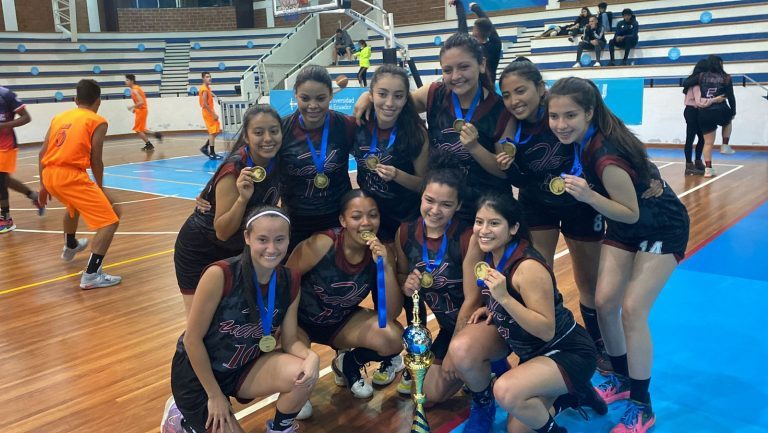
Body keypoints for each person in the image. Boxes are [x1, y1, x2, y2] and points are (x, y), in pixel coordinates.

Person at [548, 77, 690, 433]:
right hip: (626, 227)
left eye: (570, 115)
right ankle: (622, 377)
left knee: (633, 310)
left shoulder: (604, 153)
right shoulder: (587, 138)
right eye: (554, 116)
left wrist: (589, 196)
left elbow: (631, 212)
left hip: (660, 227)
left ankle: (642, 405)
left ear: (589, 113)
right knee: (604, 302)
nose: (561, 124)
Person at [451, 193, 605, 433]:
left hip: (567, 351)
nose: (483, 230)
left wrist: (504, 298)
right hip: (533, 354)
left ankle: (571, 395)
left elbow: (546, 330)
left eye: (494, 223)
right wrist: (494, 306)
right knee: (462, 349)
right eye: (479, 222)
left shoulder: (528, 267)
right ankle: (570, 395)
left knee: (513, 413)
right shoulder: (491, 253)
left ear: (513, 228)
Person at [494, 61, 612, 371]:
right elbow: (516, 174)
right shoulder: (510, 123)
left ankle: (598, 344)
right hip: (537, 204)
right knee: (538, 276)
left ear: (540, 87)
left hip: (580, 204)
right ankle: (548, 341)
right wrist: (508, 162)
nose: (514, 100)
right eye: (507, 94)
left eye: (521, 91)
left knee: (588, 281)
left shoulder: (562, 112)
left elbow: (609, 143)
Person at [164, 206, 319, 433]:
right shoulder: (220, 274)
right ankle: (180, 418)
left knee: (302, 373)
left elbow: (290, 340)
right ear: (247, 237)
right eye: (262, 239)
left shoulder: (290, 279)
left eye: (279, 240)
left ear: (288, 239)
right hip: (198, 376)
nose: (272, 248)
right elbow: (191, 340)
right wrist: (214, 395)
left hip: (242, 367)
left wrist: (311, 356)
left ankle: (279, 428)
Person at [356, 33, 513, 227]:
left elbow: (503, 171)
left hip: (485, 208)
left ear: (481, 64)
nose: (455, 76)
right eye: (448, 70)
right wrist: (367, 96)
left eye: (464, 67)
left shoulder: (500, 110)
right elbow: (396, 102)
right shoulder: (433, 94)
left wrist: (475, 147)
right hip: (444, 209)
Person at [286, 189, 403, 401]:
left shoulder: (381, 252)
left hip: (340, 324)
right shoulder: (322, 244)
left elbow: (391, 314)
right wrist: (282, 329)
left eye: (373, 215)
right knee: (298, 390)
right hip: (301, 323)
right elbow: (283, 283)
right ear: (343, 220)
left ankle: (348, 362)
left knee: (393, 338)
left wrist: (386, 267)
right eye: (356, 217)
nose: (366, 223)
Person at [175, 105, 283, 316]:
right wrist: (242, 199)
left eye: (274, 131)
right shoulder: (234, 170)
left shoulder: (279, 159)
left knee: (236, 320)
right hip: (201, 248)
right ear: (246, 136)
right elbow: (223, 232)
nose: (268, 138)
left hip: (238, 249)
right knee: (201, 323)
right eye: (258, 132)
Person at [393, 156, 474, 401]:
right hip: (449, 327)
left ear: (458, 205)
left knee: (465, 360)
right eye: (429, 200)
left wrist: (455, 353)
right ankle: (473, 367)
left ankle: (487, 368)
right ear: (421, 197)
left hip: (477, 325)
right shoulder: (405, 233)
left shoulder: (468, 237)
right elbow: (402, 275)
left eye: (446, 204)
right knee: (426, 396)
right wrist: (407, 285)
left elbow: (474, 300)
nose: (435, 210)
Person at [38, 79, 122, 289]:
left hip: (49, 174)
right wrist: (100, 188)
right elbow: (96, 160)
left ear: (75, 100)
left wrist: (43, 186)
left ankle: (71, 245)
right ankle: (92, 274)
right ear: (98, 101)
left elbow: (41, 153)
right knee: (110, 220)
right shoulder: (97, 121)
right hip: (70, 176)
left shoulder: (59, 117)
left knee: (73, 206)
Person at [279, 65, 357, 252]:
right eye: (305, 98)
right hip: (296, 220)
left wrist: (368, 98)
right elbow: (250, 157)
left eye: (320, 98)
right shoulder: (282, 129)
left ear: (331, 95)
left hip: (337, 217)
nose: (313, 106)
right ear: (295, 95)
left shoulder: (346, 125)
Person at [351, 64, 429, 243]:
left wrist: (397, 175)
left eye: (398, 96)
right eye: (382, 94)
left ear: (406, 99)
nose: (389, 103)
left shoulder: (416, 133)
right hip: (370, 218)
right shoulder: (358, 125)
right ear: (371, 95)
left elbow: (424, 185)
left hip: (406, 219)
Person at [0, 85, 44, 233]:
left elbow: (26, 117)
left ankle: (6, 219)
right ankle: (34, 196)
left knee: (0, 179)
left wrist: (5, 126)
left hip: (5, 145)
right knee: (5, 180)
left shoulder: (6, 95)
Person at [696, 55, 737, 177]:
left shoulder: (701, 76)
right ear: (720, 64)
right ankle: (725, 145)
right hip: (720, 109)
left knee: (708, 143)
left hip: (704, 112)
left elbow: (687, 83)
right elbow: (731, 96)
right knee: (728, 120)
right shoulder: (726, 77)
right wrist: (733, 111)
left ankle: (708, 169)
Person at [681, 59, 723, 175]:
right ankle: (689, 165)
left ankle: (698, 162)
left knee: (702, 138)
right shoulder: (696, 83)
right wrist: (715, 100)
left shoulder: (698, 81)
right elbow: (699, 102)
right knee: (690, 138)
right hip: (692, 111)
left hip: (698, 111)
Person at [453, 0, 502, 84]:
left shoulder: (470, 47)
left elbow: (462, 25)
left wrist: (458, 4)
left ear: (476, 31)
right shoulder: (496, 45)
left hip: (473, 88)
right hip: (490, 89)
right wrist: (476, 8)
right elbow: (490, 27)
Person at [124, 74, 162, 151]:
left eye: (127, 80)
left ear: (132, 81)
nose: (125, 81)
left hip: (142, 111)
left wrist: (132, 107)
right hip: (141, 110)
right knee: (142, 129)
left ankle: (149, 144)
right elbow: (139, 102)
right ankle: (156, 134)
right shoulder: (134, 89)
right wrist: (135, 109)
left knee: (138, 130)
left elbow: (141, 102)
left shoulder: (135, 90)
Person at [199, 71, 223, 160]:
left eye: (210, 76)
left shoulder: (207, 88)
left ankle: (205, 147)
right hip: (208, 112)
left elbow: (210, 92)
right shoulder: (204, 89)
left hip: (209, 111)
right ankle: (212, 153)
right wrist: (213, 114)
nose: (209, 78)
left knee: (216, 130)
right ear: (203, 78)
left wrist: (216, 97)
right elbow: (205, 104)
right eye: (207, 77)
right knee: (212, 132)